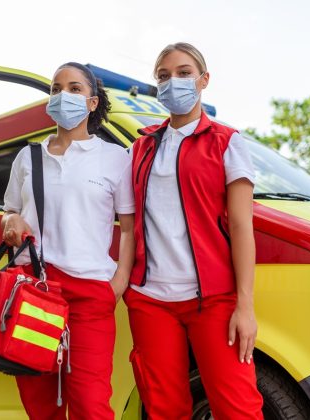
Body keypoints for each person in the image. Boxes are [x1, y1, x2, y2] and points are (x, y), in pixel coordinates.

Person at [125, 42, 264, 419]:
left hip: (214, 299)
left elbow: (241, 225)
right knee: (163, 409)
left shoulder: (227, 142)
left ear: (204, 80)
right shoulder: (141, 147)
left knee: (239, 409)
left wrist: (245, 306)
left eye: (184, 73)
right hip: (150, 300)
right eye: (164, 76)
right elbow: (123, 217)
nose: (174, 82)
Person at [1, 62, 134, 420]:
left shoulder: (115, 158)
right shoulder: (27, 157)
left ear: (92, 103)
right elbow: (10, 210)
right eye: (56, 89)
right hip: (34, 289)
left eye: (74, 89)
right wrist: (11, 221)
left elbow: (129, 227)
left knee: (92, 405)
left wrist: (117, 284)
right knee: (40, 405)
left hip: (91, 294)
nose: (63, 95)